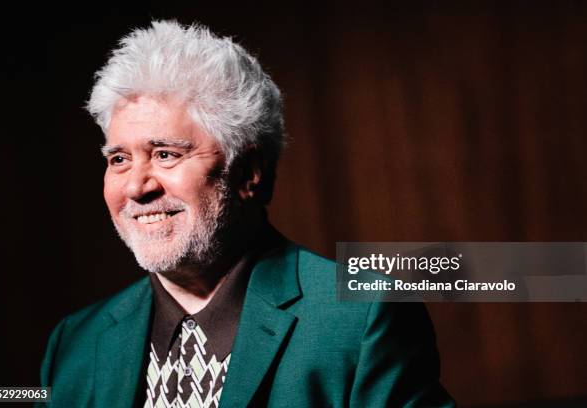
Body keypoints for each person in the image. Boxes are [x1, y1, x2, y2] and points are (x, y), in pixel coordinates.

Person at [40, 20, 455, 408]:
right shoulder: (75, 343)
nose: (135, 187)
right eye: (118, 159)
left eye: (165, 154)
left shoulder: (361, 318)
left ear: (248, 174)